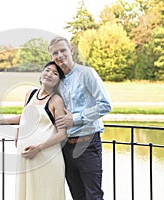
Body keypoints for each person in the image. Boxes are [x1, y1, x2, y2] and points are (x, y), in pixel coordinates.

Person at [0, 61, 67, 200]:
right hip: (26, 158)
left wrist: (38, 148)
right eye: (47, 70)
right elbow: (26, 118)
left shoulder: (56, 100)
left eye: (55, 73)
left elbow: (62, 134)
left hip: (46, 158)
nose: (49, 74)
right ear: (41, 74)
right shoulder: (30, 94)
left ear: (59, 80)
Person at [48, 36, 112, 200]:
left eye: (63, 50)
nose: (60, 55)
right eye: (55, 53)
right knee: (77, 196)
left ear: (71, 51)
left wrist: (75, 119)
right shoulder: (57, 81)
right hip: (66, 147)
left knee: (94, 196)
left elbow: (105, 105)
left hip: (88, 143)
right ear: (51, 57)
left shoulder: (87, 73)